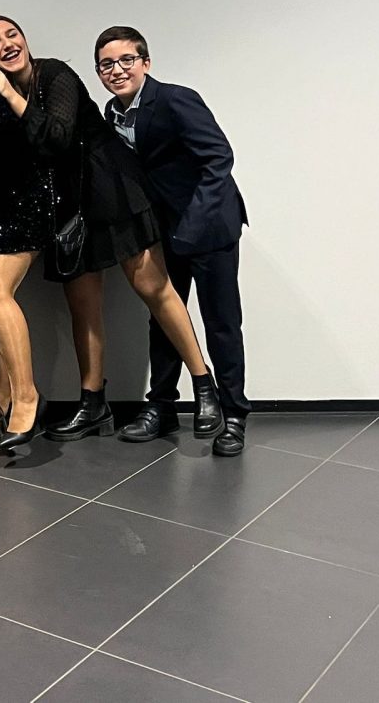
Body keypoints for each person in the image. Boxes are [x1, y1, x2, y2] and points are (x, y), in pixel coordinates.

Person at [0, 16, 222, 450]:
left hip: (110, 188)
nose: (6, 45)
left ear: (25, 39)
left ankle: (205, 385)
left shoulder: (54, 73)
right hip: (68, 205)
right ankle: (93, 402)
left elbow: (57, 136)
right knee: (83, 305)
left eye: (12, 35)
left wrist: (10, 97)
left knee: (154, 289)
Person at [94, 26, 250, 455]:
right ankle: (161, 406)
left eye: (126, 60)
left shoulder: (176, 99)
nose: (117, 70)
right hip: (163, 231)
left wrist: (191, 228)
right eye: (107, 64)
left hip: (210, 227)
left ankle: (234, 414)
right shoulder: (111, 112)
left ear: (145, 63)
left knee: (221, 322)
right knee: (163, 318)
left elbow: (219, 159)